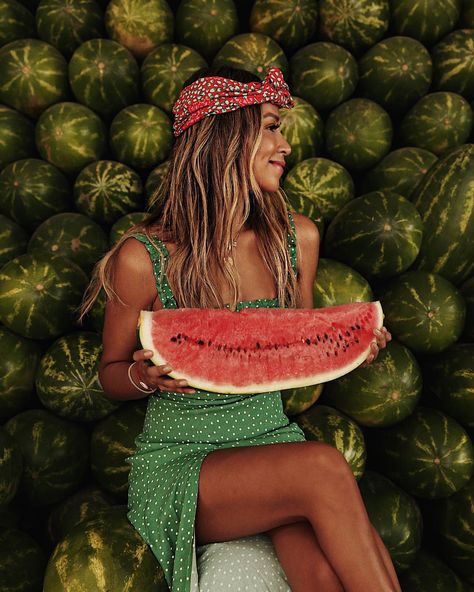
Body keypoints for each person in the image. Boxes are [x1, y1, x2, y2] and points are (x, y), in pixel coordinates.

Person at [80, 65, 400, 592]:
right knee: (323, 467)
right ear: (224, 139)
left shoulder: (296, 239)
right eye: (271, 125)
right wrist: (143, 378)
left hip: (274, 441)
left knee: (324, 575)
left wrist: (346, 345)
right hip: (184, 465)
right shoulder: (144, 256)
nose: (286, 144)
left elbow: (291, 348)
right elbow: (110, 374)